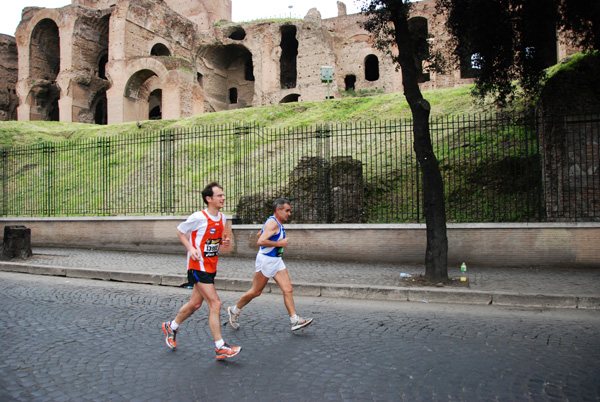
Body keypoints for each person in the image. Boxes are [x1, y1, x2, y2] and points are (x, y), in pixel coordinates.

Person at [161, 182, 241, 360]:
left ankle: (171, 326)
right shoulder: (198, 217)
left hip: (211, 266)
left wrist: (223, 243)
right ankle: (220, 346)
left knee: (195, 304)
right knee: (216, 304)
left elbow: (215, 240)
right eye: (219, 195)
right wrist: (190, 248)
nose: (223, 198)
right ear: (209, 199)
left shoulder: (221, 218)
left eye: (223, 194)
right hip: (198, 266)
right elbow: (181, 232)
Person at [227, 198, 313, 331]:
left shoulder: (275, 222)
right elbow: (260, 242)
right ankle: (234, 309)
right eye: (287, 211)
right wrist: (279, 243)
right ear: (278, 210)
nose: (289, 214)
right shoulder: (273, 223)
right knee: (256, 291)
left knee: (288, 289)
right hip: (266, 261)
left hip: (276, 261)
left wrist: (265, 236)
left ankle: (294, 320)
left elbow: (261, 235)